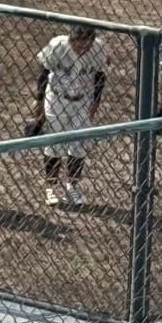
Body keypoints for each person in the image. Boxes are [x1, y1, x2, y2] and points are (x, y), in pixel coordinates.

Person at [33, 25, 105, 207]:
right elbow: (43, 73)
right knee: (54, 143)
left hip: (83, 100)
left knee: (79, 144)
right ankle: (51, 187)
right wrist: (39, 101)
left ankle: (72, 185)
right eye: (77, 45)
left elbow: (100, 76)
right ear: (71, 39)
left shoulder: (99, 48)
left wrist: (96, 102)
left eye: (85, 46)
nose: (81, 50)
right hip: (57, 98)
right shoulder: (58, 45)